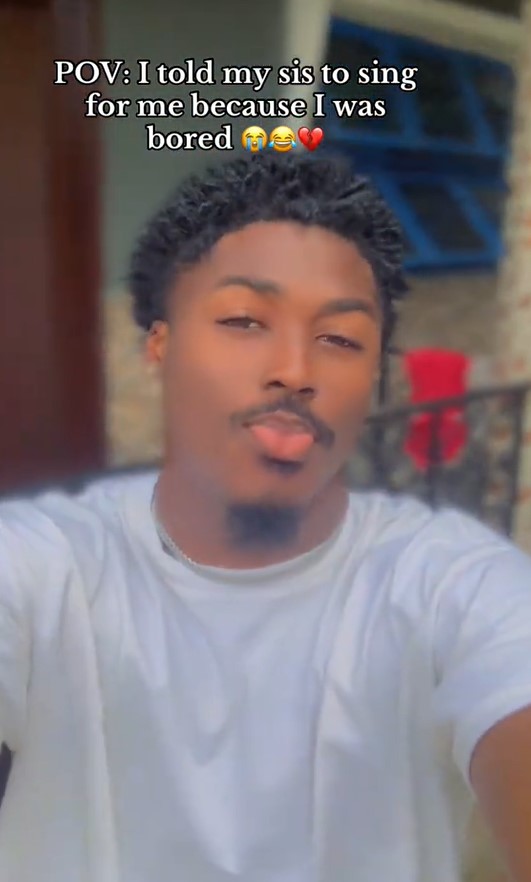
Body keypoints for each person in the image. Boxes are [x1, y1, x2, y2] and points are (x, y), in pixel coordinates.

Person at [0, 151, 531, 882]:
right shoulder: (41, 563)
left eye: (340, 339)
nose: (295, 371)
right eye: (245, 320)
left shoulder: (451, 582)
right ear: (160, 345)